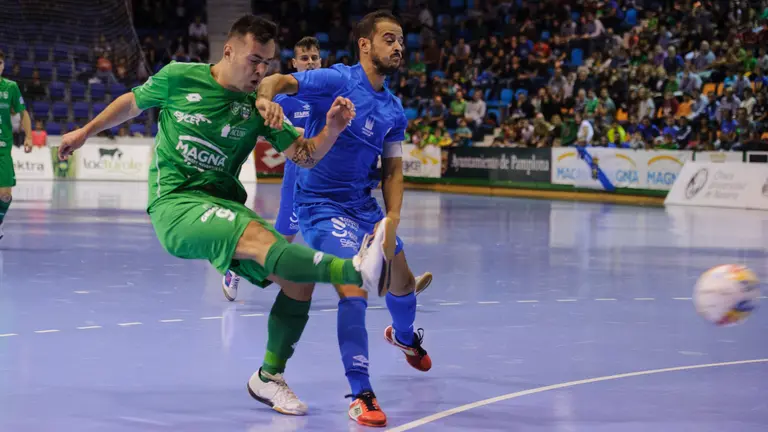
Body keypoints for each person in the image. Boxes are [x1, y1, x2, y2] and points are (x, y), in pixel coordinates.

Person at [56, 14, 395, 414]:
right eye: (254, 60)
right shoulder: (180, 76)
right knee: (257, 237)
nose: (260, 71)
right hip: (177, 204)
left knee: (297, 282)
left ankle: (268, 377)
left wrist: (333, 129)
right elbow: (132, 103)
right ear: (228, 50)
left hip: (224, 205)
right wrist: (85, 131)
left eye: (267, 63)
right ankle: (354, 270)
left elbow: (304, 155)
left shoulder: (261, 109)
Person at [256, 10, 431, 427]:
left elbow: (392, 171)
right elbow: (281, 81)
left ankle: (404, 338)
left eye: (401, 40)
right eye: (389, 38)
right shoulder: (336, 79)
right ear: (365, 44)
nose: (399, 46)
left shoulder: (393, 110)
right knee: (353, 287)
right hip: (320, 206)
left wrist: (391, 221)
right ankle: (361, 393)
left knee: (402, 283)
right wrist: (265, 96)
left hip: (363, 208)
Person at [222, 37, 433, 300]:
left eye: (314, 58)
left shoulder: (328, 90)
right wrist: (302, 132)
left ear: (320, 61)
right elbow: (270, 125)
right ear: (294, 63)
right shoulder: (288, 98)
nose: (310, 63)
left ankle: (399, 280)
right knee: (283, 239)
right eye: (304, 58)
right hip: (302, 174)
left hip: (340, 185)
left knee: (363, 229)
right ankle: (237, 269)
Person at [0, 50, 33, 240]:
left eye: (1, 62)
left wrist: (29, 136)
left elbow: (23, 113)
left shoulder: (11, 87)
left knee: (5, 195)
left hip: (3, 149)